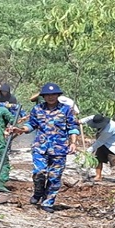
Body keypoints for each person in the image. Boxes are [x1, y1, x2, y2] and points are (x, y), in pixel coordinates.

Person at [13, 83, 79, 213]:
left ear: (58, 95)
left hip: (59, 149)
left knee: (55, 177)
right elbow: (31, 125)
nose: (50, 97)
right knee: (39, 172)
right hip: (40, 147)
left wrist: (73, 143)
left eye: (53, 94)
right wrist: (20, 130)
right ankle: (38, 192)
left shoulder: (66, 109)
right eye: (48, 95)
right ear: (43, 96)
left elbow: (72, 128)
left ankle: (48, 201)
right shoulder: (37, 109)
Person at [80, 114, 115, 186]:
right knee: (98, 159)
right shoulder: (98, 118)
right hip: (104, 143)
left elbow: (100, 141)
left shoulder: (110, 129)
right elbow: (91, 117)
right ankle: (98, 176)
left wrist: (89, 150)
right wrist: (81, 121)